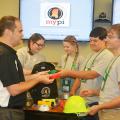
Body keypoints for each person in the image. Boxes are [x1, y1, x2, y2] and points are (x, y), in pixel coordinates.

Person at [0, 16, 54, 120]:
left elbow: (17, 81)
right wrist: (38, 79)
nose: (22, 35)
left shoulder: (8, 53)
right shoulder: (5, 54)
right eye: (20, 31)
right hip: (8, 113)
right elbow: (14, 89)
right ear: (8, 32)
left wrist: (37, 75)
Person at [57, 27, 114, 120]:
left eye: (95, 41)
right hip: (84, 100)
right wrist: (73, 91)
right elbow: (80, 75)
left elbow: (92, 74)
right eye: (90, 40)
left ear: (105, 40)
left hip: (96, 101)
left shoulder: (107, 55)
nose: (91, 43)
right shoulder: (91, 54)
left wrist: (68, 72)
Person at [88, 24, 120, 120]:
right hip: (107, 110)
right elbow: (113, 89)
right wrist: (95, 92)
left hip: (115, 112)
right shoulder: (115, 58)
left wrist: (99, 107)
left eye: (110, 37)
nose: (106, 40)